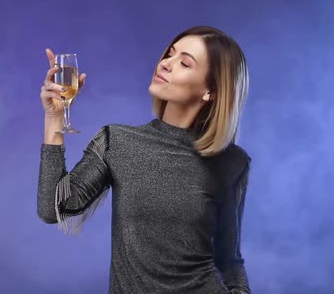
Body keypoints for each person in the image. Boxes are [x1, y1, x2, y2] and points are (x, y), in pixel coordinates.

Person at [37, 26, 253, 294]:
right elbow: (53, 208)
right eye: (170, 54)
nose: (165, 63)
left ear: (210, 91)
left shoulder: (232, 163)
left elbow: (229, 259)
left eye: (184, 63)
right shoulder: (117, 142)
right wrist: (54, 118)